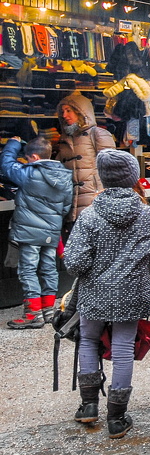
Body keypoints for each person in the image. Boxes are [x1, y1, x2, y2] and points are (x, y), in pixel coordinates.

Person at [63, 149, 150, 438]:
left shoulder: (90, 216)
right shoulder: (146, 214)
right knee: (123, 349)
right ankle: (117, 418)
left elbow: (74, 263)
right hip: (133, 291)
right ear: (132, 178)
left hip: (94, 293)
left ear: (102, 178)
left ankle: (89, 406)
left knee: (89, 341)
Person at [0, 136, 73, 329]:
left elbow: (6, 165)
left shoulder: (30, 173)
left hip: (29, 231)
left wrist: (13, 143)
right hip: (51, 231)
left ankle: (32, 314)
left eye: (28, 158)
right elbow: (66, 207)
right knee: (49, 268)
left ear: (34, 157)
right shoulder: (65, 175)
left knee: (28, 270)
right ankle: (49, 310)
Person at [55, 92, 116, 226]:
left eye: (68, 110)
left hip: (95, 205)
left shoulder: (98, 134)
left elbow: (113, 171)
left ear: (81, 111)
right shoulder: (65, 140)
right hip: (71, 209)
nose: (64, 115)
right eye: (62, 112)